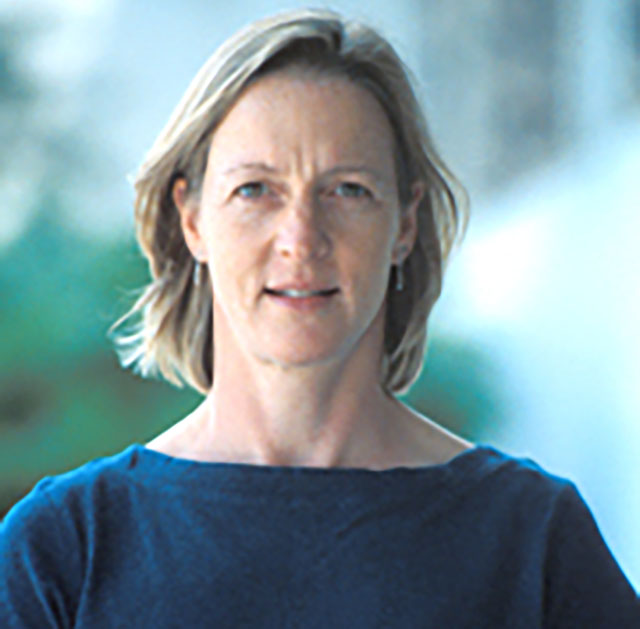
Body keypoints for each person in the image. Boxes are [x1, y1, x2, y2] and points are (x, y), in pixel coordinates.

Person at [1, 8, 638, 628]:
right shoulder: (65, 548)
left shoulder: (531, 538)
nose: (301, 238)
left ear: (404, 224)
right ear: (192, 219)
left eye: (348, 190)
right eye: (255, 190)